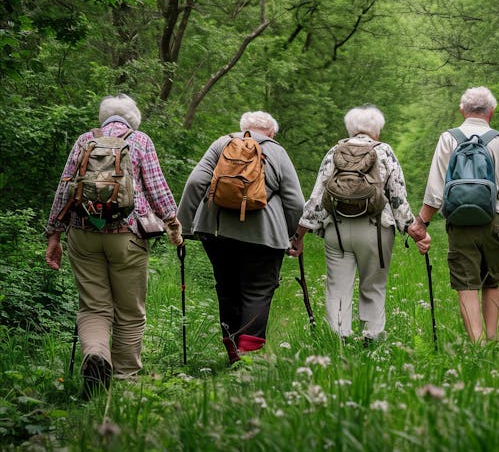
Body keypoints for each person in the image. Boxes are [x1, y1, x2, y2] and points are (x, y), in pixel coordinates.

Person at [45, 93, 184, 396]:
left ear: (103, 117)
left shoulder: (84, 141)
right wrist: (173, 225)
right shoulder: (141, 141)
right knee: (130, 311)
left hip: (83, 234)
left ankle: (96, 355)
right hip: (128, 235)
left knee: (93, 307)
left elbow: (64, 189)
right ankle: (125, 380)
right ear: (132, 119)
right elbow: (158, 189)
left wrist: (53, 234)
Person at [414, 86, 499, 343]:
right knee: (491, 280)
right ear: (492, 112)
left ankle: (477, 343)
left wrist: (422, 222)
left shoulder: (448, 138)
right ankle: (494, 337)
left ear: (462, 110)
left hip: (459, 222)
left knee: (466, 282)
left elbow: (435, 189)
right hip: (493, 220)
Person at [289, 105, 430, 343]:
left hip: (337, 230)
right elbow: (397, 198)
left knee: (337, 286)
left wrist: (299, 235)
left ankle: (339, 339)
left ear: (350, 128)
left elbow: (315, 200)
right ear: (377, 130)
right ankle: (372, 339)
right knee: (373, 286)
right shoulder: (384, 152)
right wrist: (415, 231)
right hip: (375, 231)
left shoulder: (335, 151)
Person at [177, 111, 304, 365]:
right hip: (264, 237)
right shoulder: (276, 151)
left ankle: (233, 352)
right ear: (272, 133)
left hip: (217, 231)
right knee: (257, 291)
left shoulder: (221, 144)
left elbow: (195, 183)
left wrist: (185, 226)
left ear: (242, 127)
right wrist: (294, 236)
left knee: (227, 288)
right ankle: (249, 357)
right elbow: (295, 201)